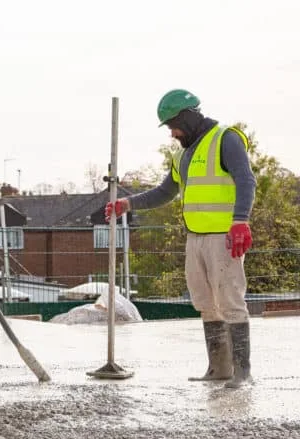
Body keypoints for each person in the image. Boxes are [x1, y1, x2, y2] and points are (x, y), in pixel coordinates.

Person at [105, 89, 256, 388]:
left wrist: (241, 221)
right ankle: (219, 368)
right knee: (205, 303)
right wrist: (128, 203)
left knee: (230, 301)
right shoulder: (183, 153)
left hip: (223, 238)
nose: (172, 134)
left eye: (173, 125)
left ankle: (243, 372)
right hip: (195, 238)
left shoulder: (226, 139)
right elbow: (166, 191)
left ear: (187, 117)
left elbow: (245, 179)